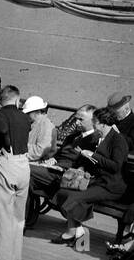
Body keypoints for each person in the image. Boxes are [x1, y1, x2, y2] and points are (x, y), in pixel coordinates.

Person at [51, 107, 129, 250]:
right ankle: (78, 230)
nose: (93, 125)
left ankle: (72, 232)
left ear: (103, 124)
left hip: (111, 186)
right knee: (64, 192)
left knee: (76, 197)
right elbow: (95, 163)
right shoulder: (101, 137)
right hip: (98, 181)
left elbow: (116, 166)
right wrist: (82, 167)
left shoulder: (118, 140)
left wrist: (93, 156)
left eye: (95, 122)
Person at [0, 85, 32, 260]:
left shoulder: (0, 115)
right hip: (24, 164)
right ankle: (16, 255)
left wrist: (4, 144)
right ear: (17, 99)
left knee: (1, 214)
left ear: (0, 100)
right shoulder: (24, 116)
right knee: (17, 216)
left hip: (7, 162)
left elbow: (3, 130)